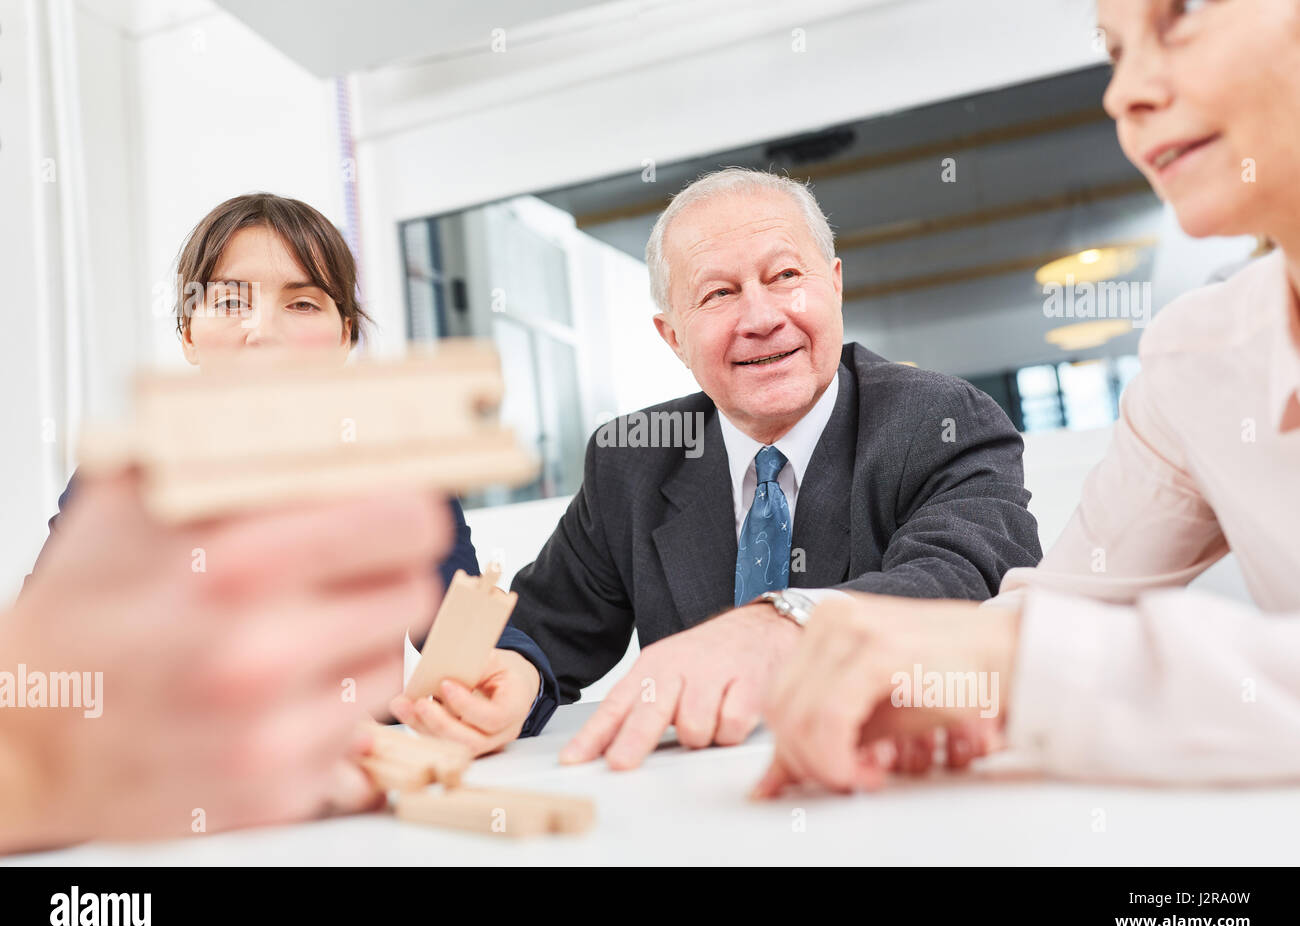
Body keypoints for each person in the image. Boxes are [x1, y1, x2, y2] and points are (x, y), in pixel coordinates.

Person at [756, 0, 1300, 796]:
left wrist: (1009, 669)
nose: (1123, 94)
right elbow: (1069, 605)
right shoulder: (1198, 355)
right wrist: (932, 685)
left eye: (1180, 16)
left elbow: (1031, 656)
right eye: (1113, 51)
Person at [389, 168, 1042, 769]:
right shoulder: (632, 458)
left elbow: (969, 584)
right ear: (672, 337)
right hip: (701, 817)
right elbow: (541, 634)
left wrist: (780, 622)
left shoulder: (942, 420)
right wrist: (513, 684)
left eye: (786, 276)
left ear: (835, 284)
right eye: (719, 293)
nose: (761, 318)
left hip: (894, 795)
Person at [21, 193, 557, 753]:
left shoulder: (398, 479)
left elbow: (465, 621)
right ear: (187, 335)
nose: (262, 332)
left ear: (346, 336)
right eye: (229, 302)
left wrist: (518, 672)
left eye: (302, 305)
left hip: (345, 802)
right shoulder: (119, 483)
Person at [1, 470, 449, 853]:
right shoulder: (124, 492)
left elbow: (457, 605)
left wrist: (513, 662)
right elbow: (50, 618)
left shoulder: (385, 479)